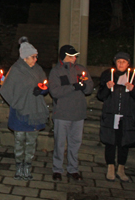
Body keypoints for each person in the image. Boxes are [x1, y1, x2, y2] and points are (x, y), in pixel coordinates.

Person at [0, 37, 49, 181]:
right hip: (20, 111)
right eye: (33, 57)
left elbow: (45, 86)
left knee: (31, 141)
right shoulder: (16, 70)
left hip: (34, 111)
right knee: (19, 141)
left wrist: (41, 91)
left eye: (36, 57)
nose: (35, 59)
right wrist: (17, 101)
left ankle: (27, 166)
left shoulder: (38, 69)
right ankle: (19, 167)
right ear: (25, 57)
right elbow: (6, 89)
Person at [97, 52, 135, 182]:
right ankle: (110, 167)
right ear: (115, 63)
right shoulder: (108, 75)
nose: (121, 64)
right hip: (111, 115)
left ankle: (121, 168)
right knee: (110, 141)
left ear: (128, 64)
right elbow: (101, 96)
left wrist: (133, 89)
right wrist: (107, 88)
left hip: (127, 116)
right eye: (118, 61)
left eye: (124, 62)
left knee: (124, 142)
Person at [49, 45, 93, 182]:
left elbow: (90, 87)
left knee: (75, 143)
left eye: (75, 56)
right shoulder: (56, 71)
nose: (74, 58)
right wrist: (73, 87)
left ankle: (73, 169)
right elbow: (55, 91)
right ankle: (57, 169)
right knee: (60, 143)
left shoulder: (81, 69)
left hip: (78, 113)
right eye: (71, 56)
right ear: (64, 57)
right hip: (62, 113)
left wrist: (85, 86)